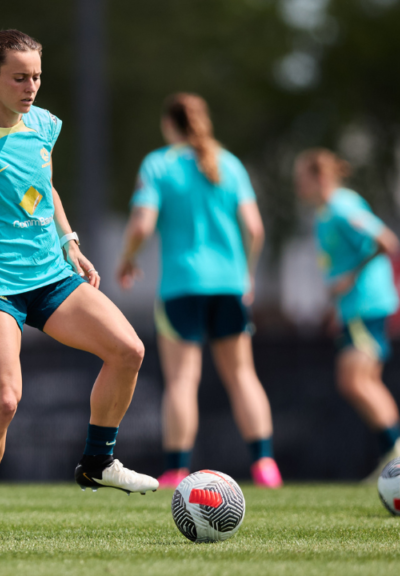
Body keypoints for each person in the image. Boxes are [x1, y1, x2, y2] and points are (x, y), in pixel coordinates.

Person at [0, 30, 158, 543]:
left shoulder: (44, 126)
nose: (31, 87)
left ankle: (99, 461)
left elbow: (44, 185)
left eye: (37, 77)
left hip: (51, 275)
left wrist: (70, 241)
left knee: (129, 350)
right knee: (5, 401)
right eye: (19, 77)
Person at [117, 93, 282, 490]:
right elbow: (255, 229)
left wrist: (127, 259)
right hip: (229, 285)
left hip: (182, 286)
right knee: (243, 375)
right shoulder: (230, 164)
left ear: (168, 124)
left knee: (182, 381)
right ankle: (265, 466)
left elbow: (141, 225)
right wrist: (248, 275)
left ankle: (176, 469)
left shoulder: (158, 164)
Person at [293, 148, 400, 480]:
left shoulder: (340, 207)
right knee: (363, 380)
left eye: (301, 178)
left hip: (365, 305)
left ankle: (397, 448)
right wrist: (336, 308)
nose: (297, 185)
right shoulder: (323, 213)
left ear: (319, 177)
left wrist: (351, 279)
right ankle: (395, 451)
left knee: (354, 380)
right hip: (352, 309)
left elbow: (386, 241)